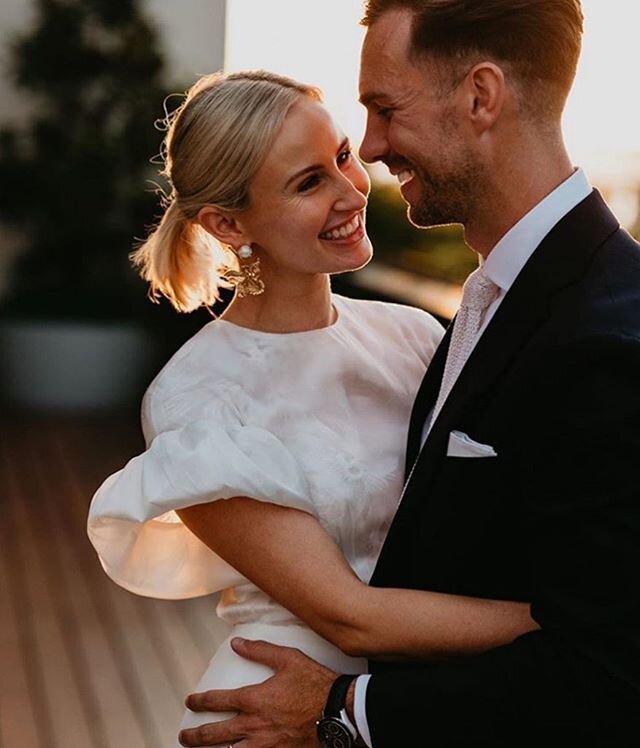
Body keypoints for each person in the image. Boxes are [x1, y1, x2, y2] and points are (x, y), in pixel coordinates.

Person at [174, 2, 640, 746]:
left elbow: (607, 669)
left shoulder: (607, 338)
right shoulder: (487, 306)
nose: (372, 154)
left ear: (481, 97)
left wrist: (344, 711)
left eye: (384, 111)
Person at [87, 69, 538, 745]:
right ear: (228, 223)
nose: (349, 190)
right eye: (308, 183)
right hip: (280, 713)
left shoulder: (413, 336)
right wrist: (573, 620)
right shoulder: (201, 398)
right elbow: (348, 616)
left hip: (419, 704)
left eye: (342, 157)